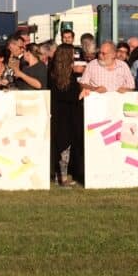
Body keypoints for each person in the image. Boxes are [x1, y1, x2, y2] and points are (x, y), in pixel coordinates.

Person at [49, 43, 82, 186]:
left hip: (58, 112)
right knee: (65, 146)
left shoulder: (52, 72)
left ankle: (60, 175)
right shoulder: (69, 76)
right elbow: (72, 95)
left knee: (60, 144)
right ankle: (63, 177)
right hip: (69, 114)